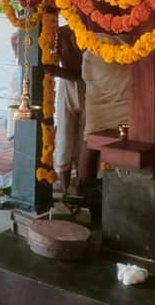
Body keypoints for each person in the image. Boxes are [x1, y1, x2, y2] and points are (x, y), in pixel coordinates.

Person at [78, 33, 129, 211]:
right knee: (93, 136)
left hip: (110, 52)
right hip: (109, 50)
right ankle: (89, 195)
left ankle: (85, 196)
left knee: (90, 137)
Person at [48, 25, 85, 194]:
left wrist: (66, 73)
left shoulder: (90, 30)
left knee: (85, 137)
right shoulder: (60, 32)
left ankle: (81, 187)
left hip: (90, 86)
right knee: (64, 135)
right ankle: (65, 191)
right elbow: (49, 64)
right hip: (68, 87)